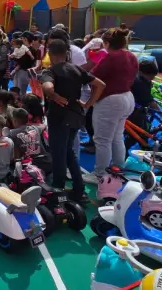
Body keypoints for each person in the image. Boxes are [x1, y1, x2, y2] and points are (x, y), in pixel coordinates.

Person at [39, 39, 104, 203]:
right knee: (68, 151)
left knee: (59, 153)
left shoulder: (50, 71)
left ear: (50, 54)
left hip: (59, 116)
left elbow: (47, 87)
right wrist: (88, 104)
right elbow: (100, 85)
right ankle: (79, 188)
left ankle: (58, 189)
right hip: (75, 115)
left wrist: (53, 96)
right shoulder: (76, 69)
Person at [84, 28, 139, 183]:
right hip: (127, 97)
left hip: (110, 100)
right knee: (117, 137)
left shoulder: (111, 57)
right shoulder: (131, 56)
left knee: (102, 140)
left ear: (107, 43)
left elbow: (93, 76)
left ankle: (99, 174)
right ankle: (117, 169)